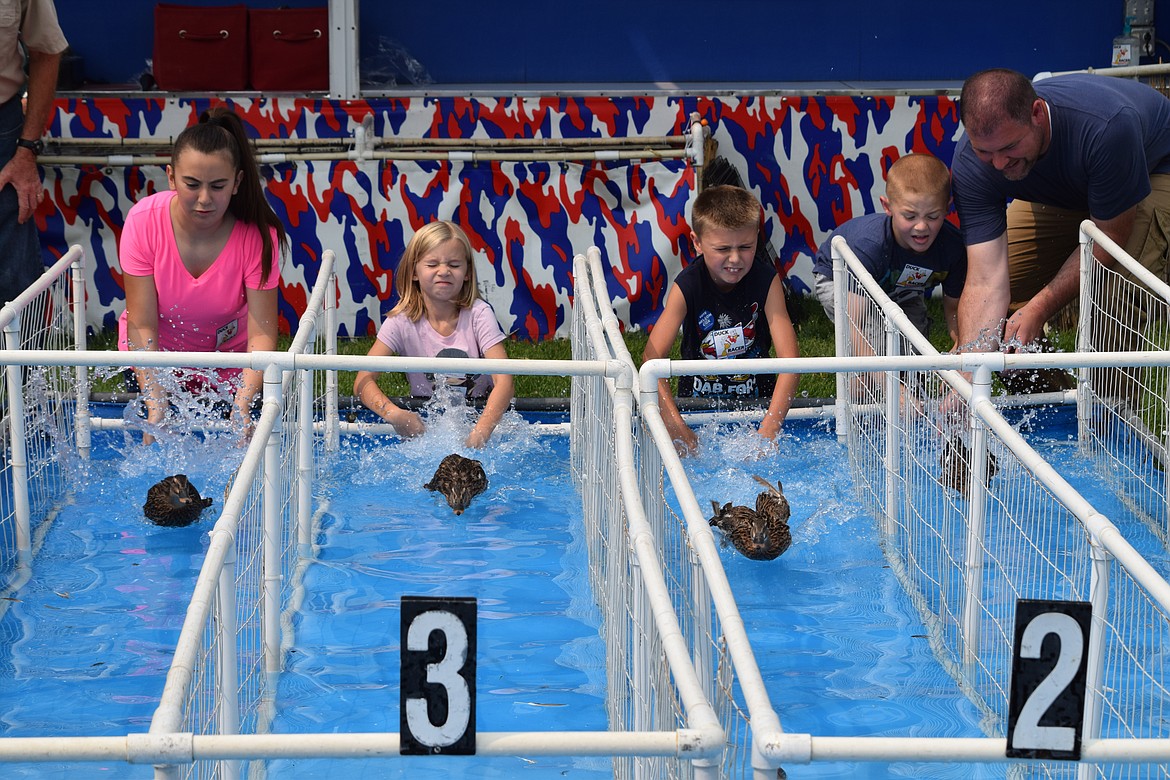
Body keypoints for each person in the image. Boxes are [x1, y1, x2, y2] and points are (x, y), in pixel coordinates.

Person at [952, 67, 1170, 357]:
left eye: (1010, 147)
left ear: (1037, 114)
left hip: (1154, 170)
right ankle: (1040, 398)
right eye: (985, 152)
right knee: (1000, 301)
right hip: (1077, 191)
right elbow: (984, 279)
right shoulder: (970, 160)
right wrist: (969, 376)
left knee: (1113, 293)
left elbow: (1109, 236)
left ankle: (1109, 401)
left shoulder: (1107, 128)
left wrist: (1040, 307)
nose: (999, 163)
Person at [118, 107, 288, 444]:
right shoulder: (142, 221)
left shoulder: (258, 235)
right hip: (152, 361)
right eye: (192, 185)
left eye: (218, 186)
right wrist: (156, 402)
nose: (204, 199)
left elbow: (263, 337)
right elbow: (142, 324)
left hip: (232, 372)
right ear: (170, 177)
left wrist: (242, 405)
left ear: (238, 182)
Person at [642, 184, 800, 456]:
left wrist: (769, 429)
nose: (735, 259)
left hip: (757, 405)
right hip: (696, 408)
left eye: (746, 247)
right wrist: (677, 426)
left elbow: (791, 363)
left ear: (757, 237)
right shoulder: (686, 287)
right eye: (723, 248)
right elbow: (650, 362)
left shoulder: (767, 282)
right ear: (697, 242)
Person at [354, 220, 514, 448]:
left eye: (454, 264)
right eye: (432, 264)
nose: (444, 271)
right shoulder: (401, 320)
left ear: (467, 273)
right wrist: (396, 415)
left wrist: (481, 431)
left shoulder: (479, 313)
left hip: (478, 419)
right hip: (426, 426)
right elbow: (362, 380)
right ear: (414, 272)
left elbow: (505, 381)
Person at [813, 153, 966, 347]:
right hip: (839, 278)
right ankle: (861, 377)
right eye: (910, 216)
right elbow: (853, 325)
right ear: (887, 206)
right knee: (875, 344)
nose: (921, 226)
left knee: (914, 346)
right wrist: (879, 373)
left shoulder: (953, 248)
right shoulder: (871, 245)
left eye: (933, 216)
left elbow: (955, 309)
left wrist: (962, 347)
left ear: (946, 208)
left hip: (897, 286)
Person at [0, 0, 67, 306]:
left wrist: (27, 151)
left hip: (4, 131)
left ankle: (21, 355)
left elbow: (46, 51)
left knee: (14, 282)